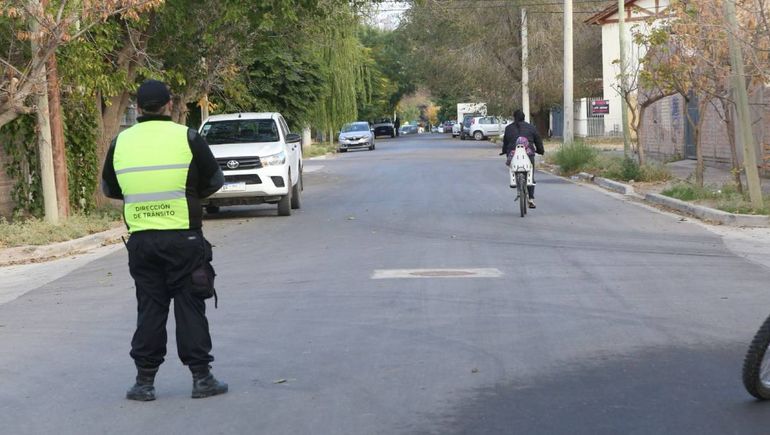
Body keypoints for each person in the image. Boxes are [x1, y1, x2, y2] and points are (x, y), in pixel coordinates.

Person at [101, 79, 228, 401]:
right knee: (190, 306)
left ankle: (144, 383)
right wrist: (189, 195)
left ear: (139, 108)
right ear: (170, 105)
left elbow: (111, 189)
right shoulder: (187, 137)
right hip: (184, 238)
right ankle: (202, 379)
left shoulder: (120, 142)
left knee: (151, 309)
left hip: (142, 241)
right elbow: (215, 179)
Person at [502, 109, 544, 208]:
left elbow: (506, 143)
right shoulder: (531, 127)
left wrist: (504, 151)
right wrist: (540, 151)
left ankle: (516, 182)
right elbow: (538, 140)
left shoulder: (508, 128)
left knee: (514, 168)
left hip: (513, 155)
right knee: (530, 174)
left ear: (514, 117)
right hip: (528, 155)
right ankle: (531, 199)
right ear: (524, 117)